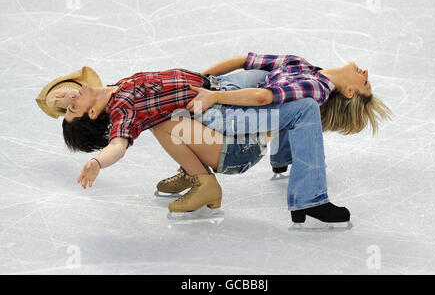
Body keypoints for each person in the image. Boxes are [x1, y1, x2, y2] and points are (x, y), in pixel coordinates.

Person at [37, 52, 392, 225]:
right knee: (165, 120)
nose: (68, 101)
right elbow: (118, 143)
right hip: (229, 128)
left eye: (68, 105)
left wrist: (209, 86)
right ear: (94, 114)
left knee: (295, 103)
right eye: (70, 109)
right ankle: (205, 179)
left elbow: (262, 95)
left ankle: (298, 187)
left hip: (229, 116)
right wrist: (97, 160)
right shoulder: (122, 111)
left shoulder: (118, 89)